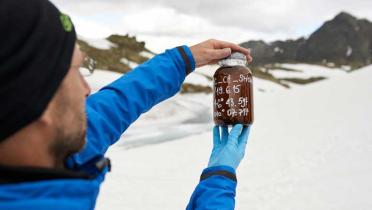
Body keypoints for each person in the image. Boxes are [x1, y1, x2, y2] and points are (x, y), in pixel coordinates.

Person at [0, 0, 253, 209]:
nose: (88, 90)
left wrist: (180, 61)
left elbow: (112, 107)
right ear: (37, 102)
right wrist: (220, 181)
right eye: (76, 70)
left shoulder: (36, 143)